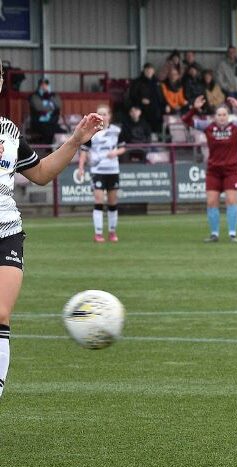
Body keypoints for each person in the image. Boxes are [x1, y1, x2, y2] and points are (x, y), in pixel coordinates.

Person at [0, 59, 104, 399]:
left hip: (6, 231)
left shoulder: (9, 132)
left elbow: (41, 174)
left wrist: (75, 141)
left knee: (0, 312)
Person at [182, 95, 237, 243]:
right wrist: (194, 109)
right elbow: (186, 120)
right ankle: (214, 234)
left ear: (228, 116)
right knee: (211, 202)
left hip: (231, 171)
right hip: (214, 171)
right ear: (214, 116)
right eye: (219, 115)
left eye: (224, 115)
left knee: (231, 200)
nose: (222, 117)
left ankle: (232, 233)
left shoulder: (236, 126)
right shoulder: (208, 127)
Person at [77, 104, 126, 243]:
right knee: (98, 201)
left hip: (112, 170)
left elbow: (123, 148)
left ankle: (112, 232)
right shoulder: (92, 132)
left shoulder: (116, 131)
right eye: (99, 114)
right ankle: (98, 233)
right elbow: (84, 151)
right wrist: (80, 168)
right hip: (97, 170)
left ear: (109, 115)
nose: (102, 116)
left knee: (112, 202)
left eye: (104, 114)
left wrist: (115, 152)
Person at [129, 63, 163, 134]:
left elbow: (161, 96)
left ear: (153, 71)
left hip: (155, 111)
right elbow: (132, 95)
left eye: (150, 70)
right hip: (142, 110)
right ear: (144, 71)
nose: (149, 72)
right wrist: (141, 100)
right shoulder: (137, 82)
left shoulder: (157, 82)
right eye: (147, 70)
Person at [28, 78, 64, 145]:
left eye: (46, 85)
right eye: (42, 85)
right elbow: (39, 107)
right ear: (39, 86)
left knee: (62, 131)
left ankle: (55, 149)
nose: (44, 87)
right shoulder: (34, 96)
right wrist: (52, 107)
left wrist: (49, 96)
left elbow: (59, 105)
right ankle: (49, 150)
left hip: (52, 122)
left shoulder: (54, 95)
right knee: (49, 131)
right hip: (39, 123)